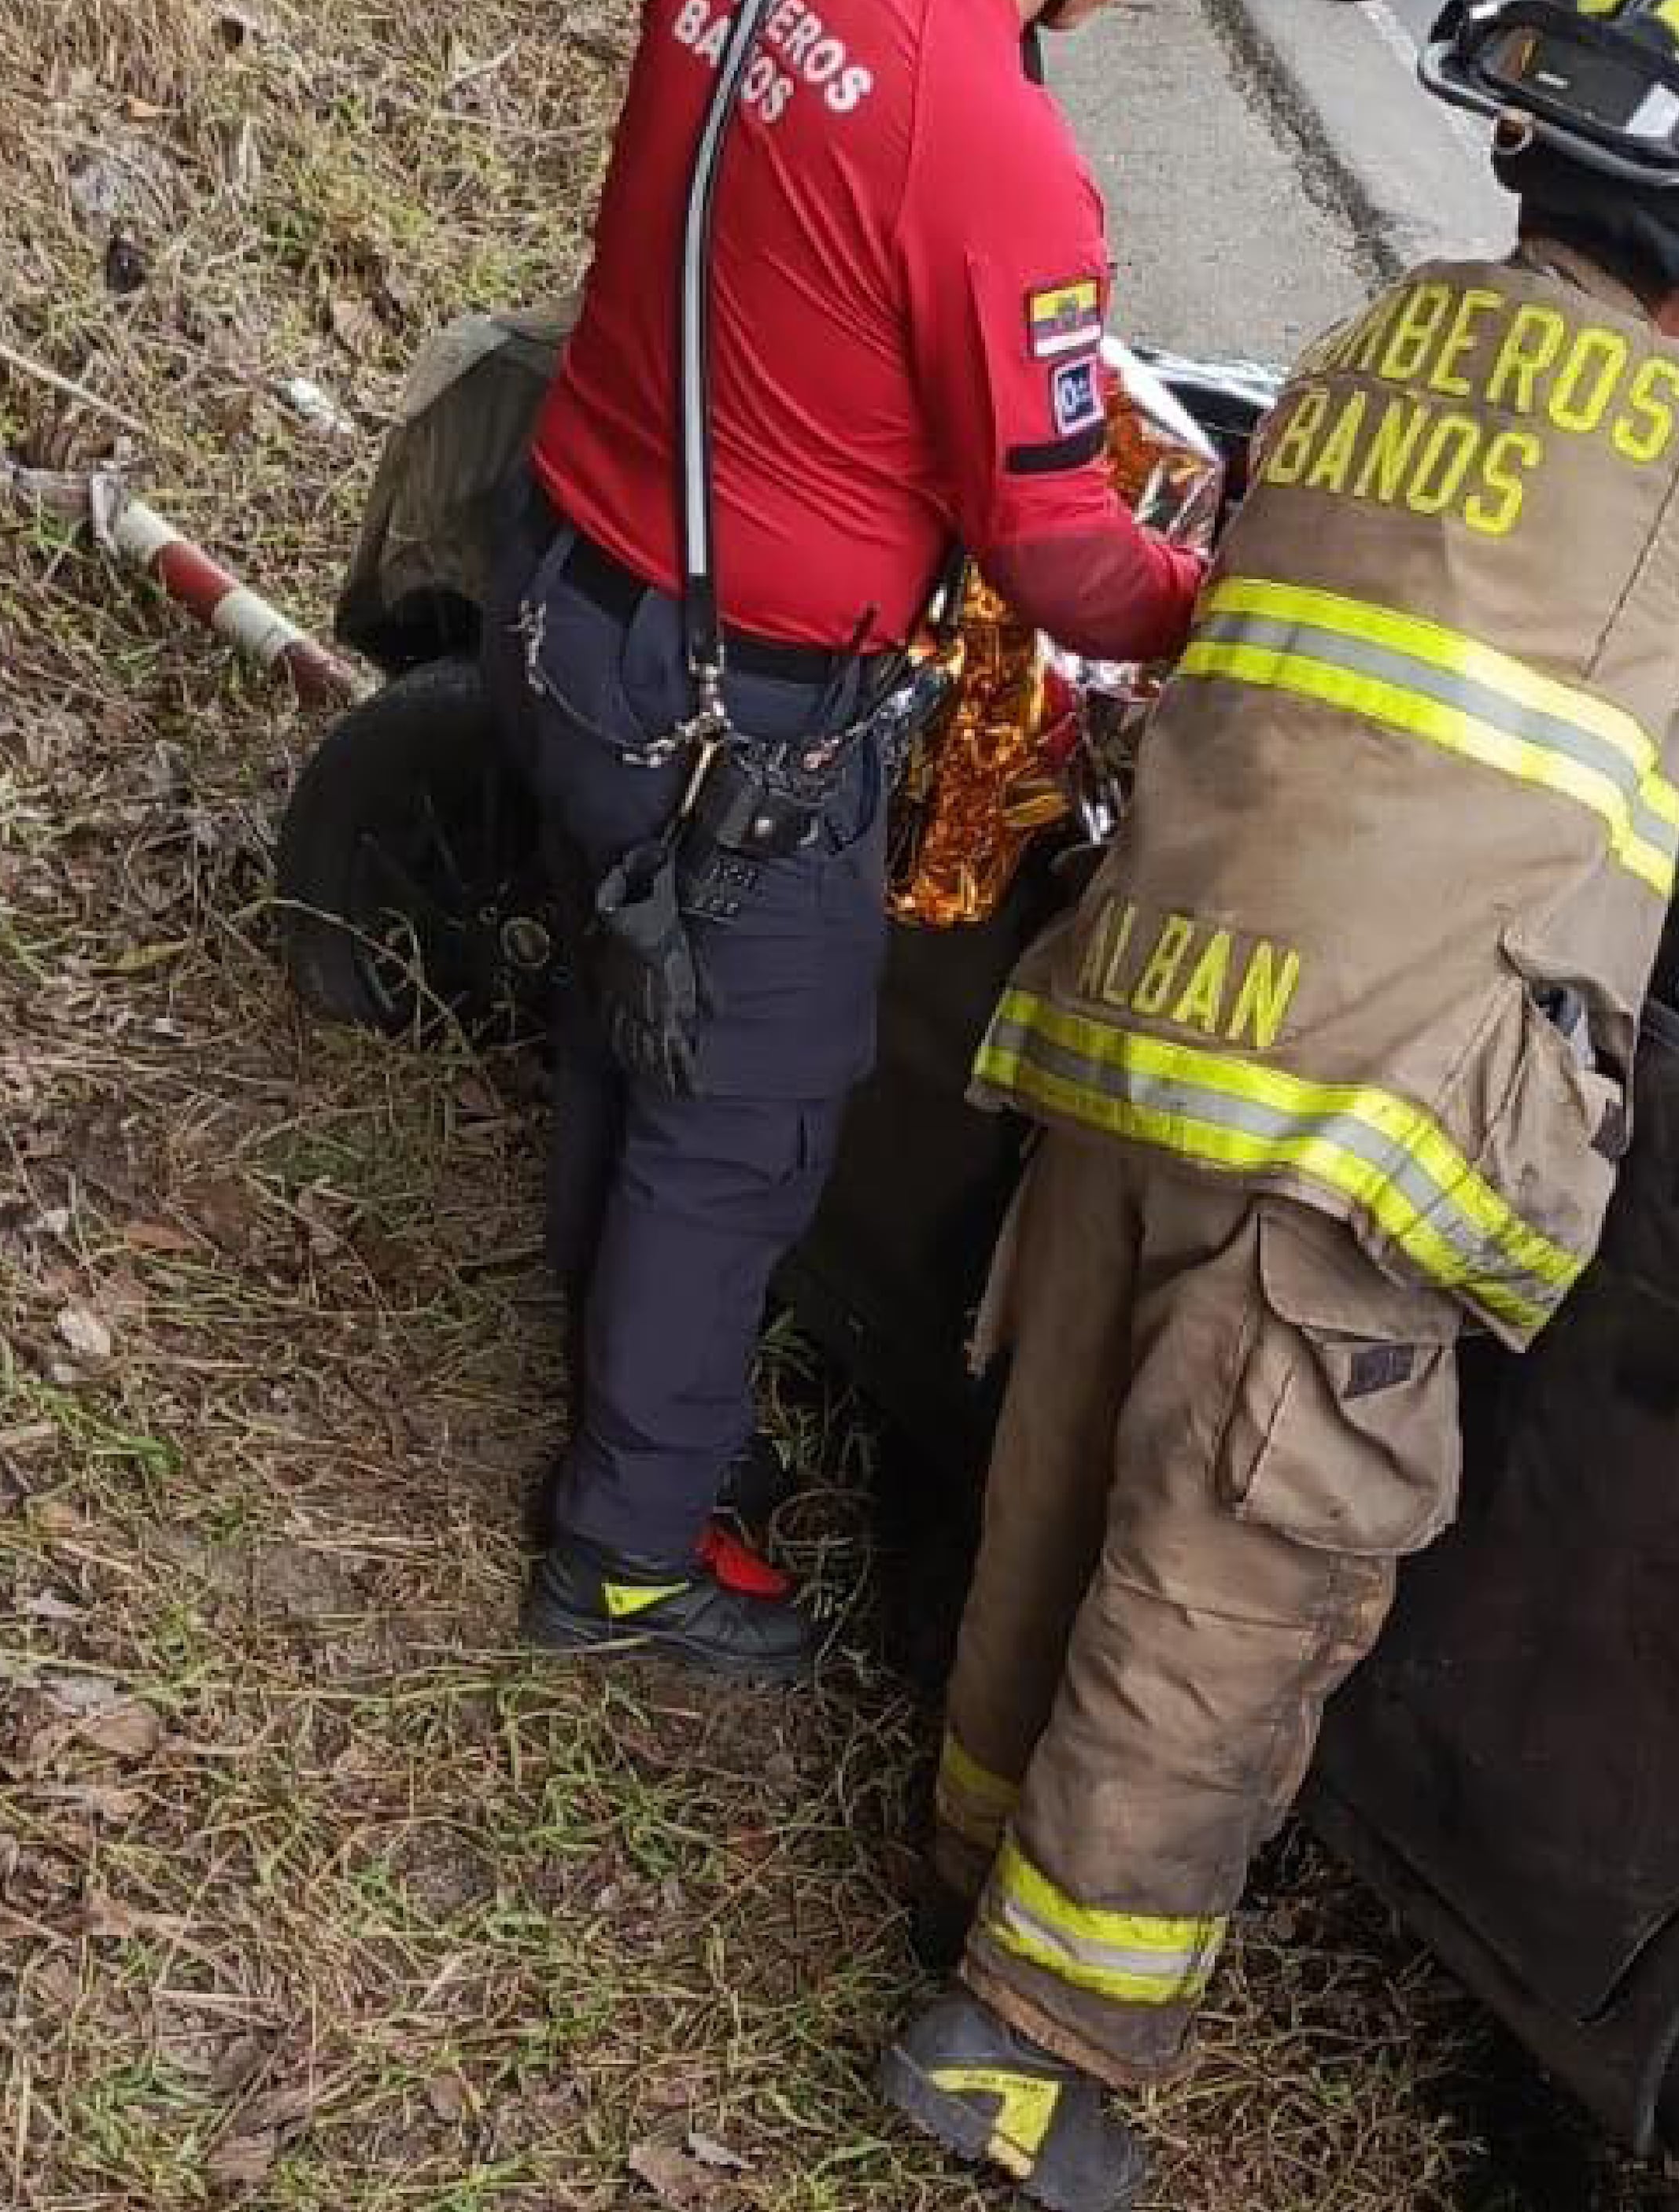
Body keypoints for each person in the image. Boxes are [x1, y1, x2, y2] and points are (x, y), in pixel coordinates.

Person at [866, 0, 1679, 2199]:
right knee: (1224, 1594)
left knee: (1062, 1493)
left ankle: (970, 1870)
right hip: (1353, 1126)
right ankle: (1026, 2043)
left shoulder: (1381, 343)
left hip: (1142, 1032)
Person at [500, 0, 1203, 1683]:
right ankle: (625, 1549)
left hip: (573, 587)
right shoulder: (988, 149)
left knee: (636, 1015)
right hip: (732, 706)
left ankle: (632, 1398)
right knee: (740, 1124)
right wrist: (1217, 604)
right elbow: (1055, 555)